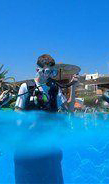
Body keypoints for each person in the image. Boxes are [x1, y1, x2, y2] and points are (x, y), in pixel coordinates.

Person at [14, 54, 78, 184]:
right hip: (29, 145)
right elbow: (17, 112)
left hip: (50, 145)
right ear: (38, 70)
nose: (48, 75)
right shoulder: (26, 87)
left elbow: (69, 109)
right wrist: (28, 125)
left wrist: (73, 87)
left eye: (51, 72)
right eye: (46, 71)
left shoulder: (54, 88)